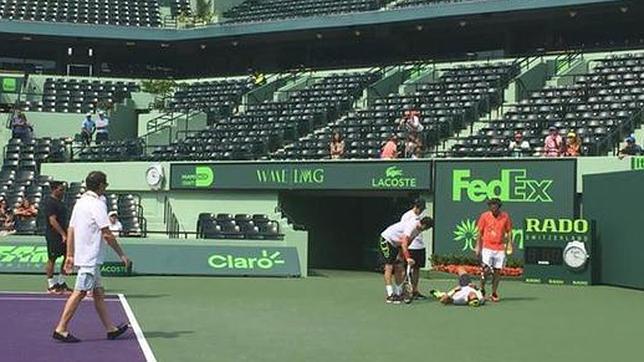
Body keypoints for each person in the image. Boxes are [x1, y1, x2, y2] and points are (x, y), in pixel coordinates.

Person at [53, 171, 131, 343]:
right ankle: (61, 328)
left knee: (98, 293)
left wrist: (70, 254)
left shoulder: (80, 203)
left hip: (87, 257)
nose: (106, 187)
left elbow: (71, 229)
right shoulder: (97, 205)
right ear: (101, 186)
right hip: (90, 258)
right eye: (106, 185)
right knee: (79, 292)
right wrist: (122, 255)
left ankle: (111, 329)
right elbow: (107, 234)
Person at [379, 216, 434, 304]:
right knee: (389, 266)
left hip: (397, 244)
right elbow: (404, 243)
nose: (426, 230)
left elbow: (408, 242)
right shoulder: (411, 226)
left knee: (399, 266)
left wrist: (401, 256)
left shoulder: (419, 230)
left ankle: (397, 293)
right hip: (387, 240)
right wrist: (408, 257)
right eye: (427, 228)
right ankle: (390, 295)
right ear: (424, 225)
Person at [475, 198, 513, 302]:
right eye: (491, 205)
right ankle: (482, 289)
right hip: (487, 247)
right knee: (485, 270)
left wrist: (509, 244)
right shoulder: (484, 216)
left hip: (500, 248)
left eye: (495, 205)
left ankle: (494, 293)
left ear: (498, 206)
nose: (493, 207)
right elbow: (479, 232)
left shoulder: (505, 216)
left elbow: (509, 231)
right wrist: (478, 246)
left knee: (497, 271)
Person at [44, 181, 71, 294]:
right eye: (60, 190)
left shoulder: (61, 203)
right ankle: (51, 285)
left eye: (63, 190)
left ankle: (61, 282)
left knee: (67, 257)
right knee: (52, 259)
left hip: (65, 234)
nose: (63, 192)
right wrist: (62, 234)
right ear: (54, 190)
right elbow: (52, 220)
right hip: (54, 235)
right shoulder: (50, 202)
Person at [400, 198, 428, 300]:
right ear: (416, 207)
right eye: (420, 209)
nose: (421, 211)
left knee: (416, 269)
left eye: (423, 209)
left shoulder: (421, 217)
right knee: (405, 269)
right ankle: (403, 291)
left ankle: (415, 291)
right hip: (410, 247)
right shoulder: (407, 216)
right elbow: (403, 233)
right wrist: (404, 249)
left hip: (420, 246)